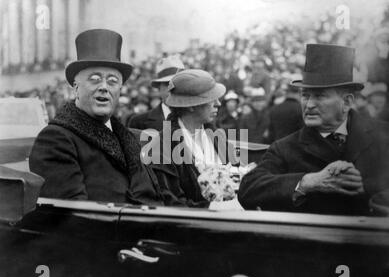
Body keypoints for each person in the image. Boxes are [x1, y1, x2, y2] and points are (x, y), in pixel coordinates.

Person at [238, 44, 389, 215]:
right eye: (305, 95)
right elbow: (248, 189)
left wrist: (366, 187)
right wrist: (308, 182)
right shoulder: (284, 148)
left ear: (346, 102)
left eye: (320, 96)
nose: (309, 105)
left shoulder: (383, 136)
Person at [29, 29, 163, 205]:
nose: (104, 87)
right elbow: (73, 217)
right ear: (76, 88)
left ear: (119, 90)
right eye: (94, 79)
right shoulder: (56, 139)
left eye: (113, 81)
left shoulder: (129, 138)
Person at [149, 69, 237, 207]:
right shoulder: (162, 147)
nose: (218, 104)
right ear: (190, 106)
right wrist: (213, 208)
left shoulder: (216, 136)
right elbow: (171, 202)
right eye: (211, 99)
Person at [128, 55, 185, 131]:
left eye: (177, 84)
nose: (172, 89)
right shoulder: (139, 122)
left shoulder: (197, 119)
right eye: (167, 84)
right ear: (159, 88)